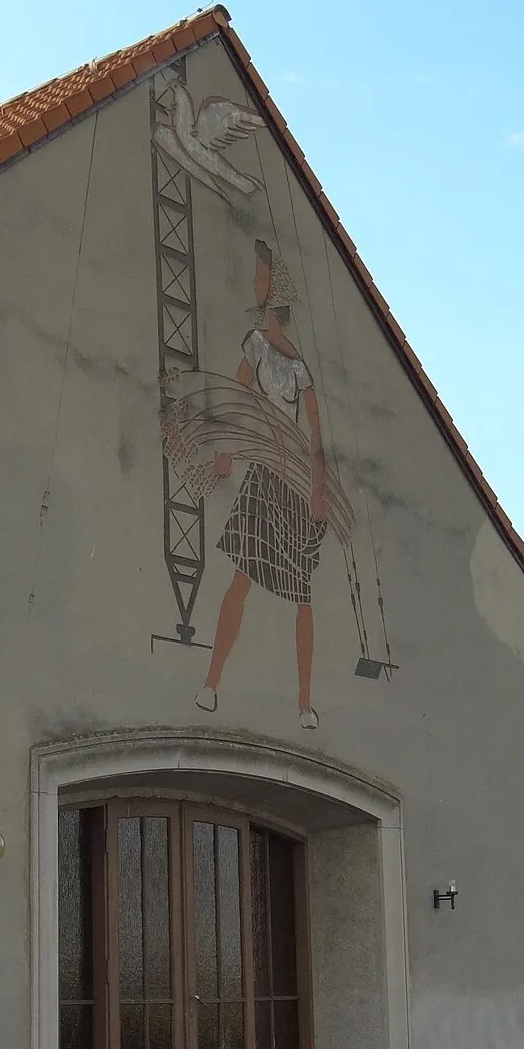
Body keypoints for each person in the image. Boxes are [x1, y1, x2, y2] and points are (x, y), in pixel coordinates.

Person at [196, 240, 327, 729]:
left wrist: (315, 491)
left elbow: (314, 437)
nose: (255, 284)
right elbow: (236, 399)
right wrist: (228, 451)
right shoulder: (255, 344)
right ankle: (211, 683)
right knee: (240, 577)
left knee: (303, 594)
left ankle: (304, 703)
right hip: (262, 474)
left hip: (291, 483)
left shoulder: (299, 369)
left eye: (260, 279)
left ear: (276, 296)